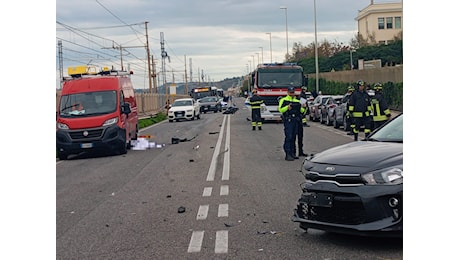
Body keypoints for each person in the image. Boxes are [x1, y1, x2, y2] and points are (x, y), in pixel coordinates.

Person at [278, 86, 306, 161]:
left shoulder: (297, 101)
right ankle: (288, 154)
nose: (291, 94)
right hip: (288, 120)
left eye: (293, 92)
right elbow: (280, 109)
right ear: (287, 92)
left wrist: (304, 107)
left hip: (296, 120)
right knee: (289, 136)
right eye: (290, 92)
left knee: (293, 137)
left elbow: (302, 111)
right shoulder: (283, 100)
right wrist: (287, 107)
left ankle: (293, 153)